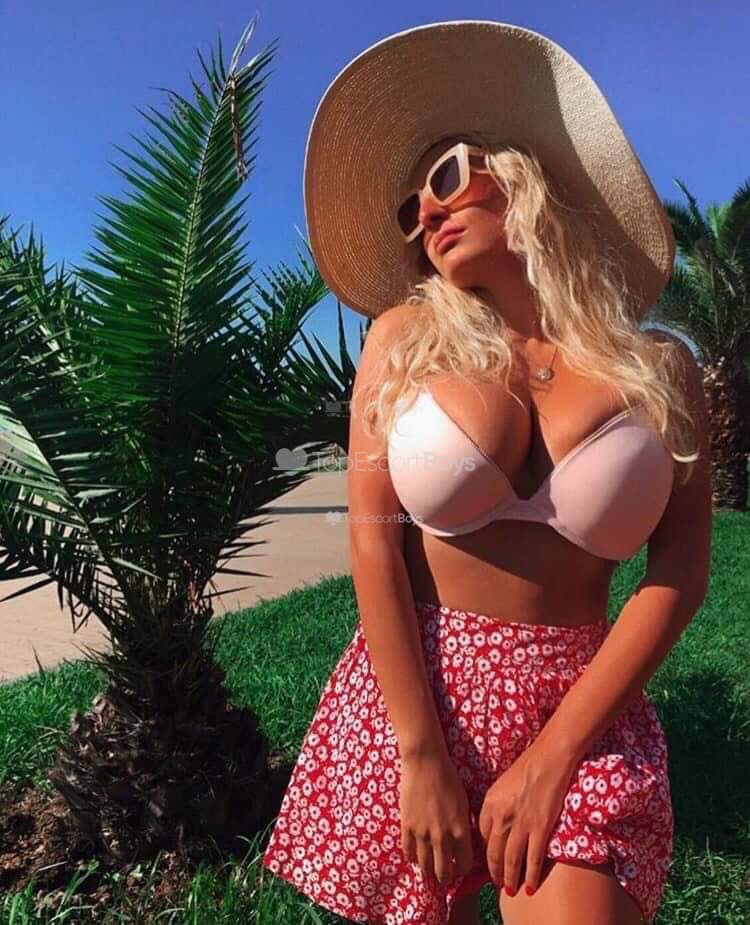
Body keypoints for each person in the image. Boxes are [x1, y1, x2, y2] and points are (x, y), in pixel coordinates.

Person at [261, 20, 712, 925]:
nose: (426, 215)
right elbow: (374, 545)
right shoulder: (403, 341)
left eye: (443, 179)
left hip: (581, 710)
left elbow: (679, 571)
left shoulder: (661, 369)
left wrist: (553, 756)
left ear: (524, 173)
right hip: (415, 702)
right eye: (409, 214)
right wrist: (419, 751)